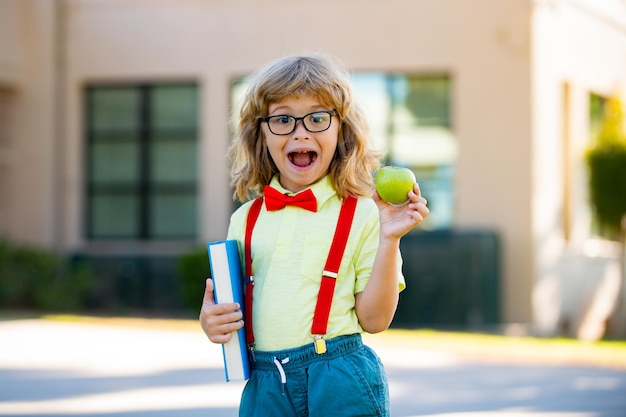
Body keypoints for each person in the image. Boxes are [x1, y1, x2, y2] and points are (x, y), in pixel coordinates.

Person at [200, 53, 429, 417]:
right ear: (260, 134)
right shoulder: (245, 220)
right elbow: (233, 311)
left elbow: (375, 321)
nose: (300, 132)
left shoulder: (365, 212)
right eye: (283, 119)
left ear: (342, 131)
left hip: (339, 376)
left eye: (318, 118)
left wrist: (390, 240)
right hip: (264, 384)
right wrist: (212, 321)